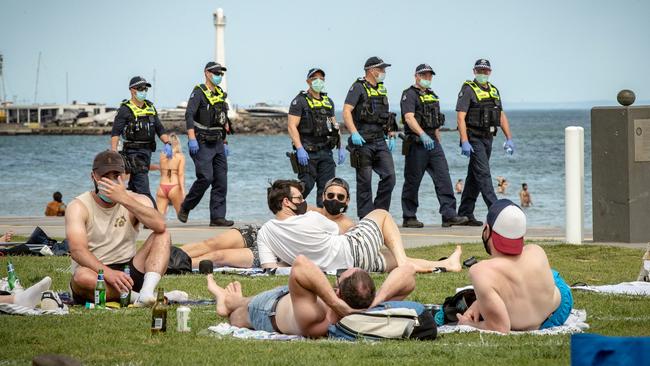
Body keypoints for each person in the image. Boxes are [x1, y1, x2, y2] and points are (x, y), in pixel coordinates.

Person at [256, 179, 463, 273]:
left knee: (387, 258)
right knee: (381, 214)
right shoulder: (312, 218)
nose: (303, 201)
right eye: (299, 198)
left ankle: (446, 265)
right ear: (286, 202)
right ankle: (404, 264)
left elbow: (270, 268)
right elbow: (335, 231)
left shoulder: (264, 232)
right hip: (351, 254)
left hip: (343, 267)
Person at [206, 255, 416, 337]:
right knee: (243, 300)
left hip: (268, 310)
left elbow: (300, 263)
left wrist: (334, 303)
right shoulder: (368, 306)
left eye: (341, 275)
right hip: (290, 297)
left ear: (338, 291)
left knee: (235, 309)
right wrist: (375, 302)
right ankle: (228, 299)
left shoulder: (318, 316)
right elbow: (408, 271)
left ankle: (224, 303)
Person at [66, 150, 171, 306]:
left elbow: (159, 225)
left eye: (116, 176)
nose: (111, 182)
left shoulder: (137, 200)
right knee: (81, 277)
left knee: (163, 235)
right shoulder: (78, 206)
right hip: (95, 273)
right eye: (105, 177)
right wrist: (108, 273)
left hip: (129, 272)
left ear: (125, 176)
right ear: (93, 177)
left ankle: (147, 292)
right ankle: (138, 297)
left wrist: (124, 199)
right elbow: (77, 251)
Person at [181, 177, 355, 269]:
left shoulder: (347, 225)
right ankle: (167, 254)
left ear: (347, 201)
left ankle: (174, 264)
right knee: (212, 243)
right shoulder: (310, 210)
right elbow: (281, 210)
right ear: (323, 196)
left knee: (219, 256)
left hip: (279, 253)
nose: (334, 199)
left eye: (340, 197)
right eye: (330, 195)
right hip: (262, 232)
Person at [456, 199, 573, 333]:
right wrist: (479, 303)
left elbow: (499, 328)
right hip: (559, 310)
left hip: (524, 321)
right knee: (548, 273)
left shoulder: (480, 271)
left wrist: (468, 324)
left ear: (487, 230)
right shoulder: (536, 250)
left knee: (509, 281)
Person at [400, 64, 468, 228]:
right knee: (413, 180)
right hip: (417, 142)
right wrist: (422, 134)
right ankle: (409, 217)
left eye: (430, 76)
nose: (427, 78)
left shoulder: (432, 95)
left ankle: (449, 215)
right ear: (416, 76)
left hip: (433, 143)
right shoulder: (409, 94)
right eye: (424, 75)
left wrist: (437, 139)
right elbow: (409, 118)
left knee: (443, 177)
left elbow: (436, 121)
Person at [455, 59, 514, 226]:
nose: (483, 73)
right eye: (479, 70)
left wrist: (509, 138)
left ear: (490, 72)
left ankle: (465, 213)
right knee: (483, 173)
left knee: (474, 176)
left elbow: (501, 115)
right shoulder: (468, 90)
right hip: (473, 137)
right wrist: (464, 141)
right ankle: (497, 211)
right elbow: (460, 117)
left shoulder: (494, 91)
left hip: (488, 138)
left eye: (485, 71)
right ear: (474, 71)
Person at [178, 62, 234, 227]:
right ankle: (186, 206)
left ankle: (217, 217)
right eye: (216, 73)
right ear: (207, 73)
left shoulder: (220, 94)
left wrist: (224, 141)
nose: (219, 76)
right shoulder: (199, 92)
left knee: (221, 181)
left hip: (218, 143)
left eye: (221, 74)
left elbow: (223, 120)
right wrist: (191, 138)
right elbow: (189, 115)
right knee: (206, 178)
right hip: (201, 142)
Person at [343, 57, 398, 219]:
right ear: (371, 71)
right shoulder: (358, 87)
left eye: (384, 70)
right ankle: (366, 217)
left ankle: (379, 214)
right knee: (365, 182)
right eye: (381, 69)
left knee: (390, 176)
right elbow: (346, 111)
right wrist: (354, 133)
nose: (383, 72)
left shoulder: (381, 89)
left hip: (380, 140)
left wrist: (391, 133)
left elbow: (386, 115)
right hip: (362, 140)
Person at [287, 68, 345, 208]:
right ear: (308, 81)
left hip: (325, 151)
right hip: (307, 151)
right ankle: (290, 210)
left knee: (327, 189)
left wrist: (340, 147)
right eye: (314, 79)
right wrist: (299, 148)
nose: (318, 81)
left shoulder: (328, 101)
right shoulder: (299, 101)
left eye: (321, 79)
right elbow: (291, 126)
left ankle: (323, 218)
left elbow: (334, 125)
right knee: (306, 184)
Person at [111, 76, 172, 207]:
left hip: (147, 151)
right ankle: (152, 216)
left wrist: (168, 143)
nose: (143, 91)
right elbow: (115, 132)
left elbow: (159, 128)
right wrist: (114, 151)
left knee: (134, 186)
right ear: (132, 90)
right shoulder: (125, 109)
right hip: (133, 152)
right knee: (142, 186)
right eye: (140, 88)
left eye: (145, 88)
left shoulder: (150, 107)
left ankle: (125, 212)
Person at [156, 133, 186, 216]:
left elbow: (162, 172)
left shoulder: (162, 155)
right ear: (178, 144)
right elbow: (180, 174)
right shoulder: (180, 157)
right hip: (174, 186)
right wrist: (183, 191)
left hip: (162, 186)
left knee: (159, 216)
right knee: (181, 215)